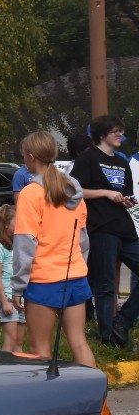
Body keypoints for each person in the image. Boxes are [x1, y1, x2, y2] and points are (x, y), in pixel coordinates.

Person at [14, 131, 95, 367]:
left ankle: (46, 402)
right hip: (76, 276)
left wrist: (18, 285)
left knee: (39, 348)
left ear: (31, 158)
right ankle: (98, 402)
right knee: (79, 342)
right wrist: (79, 267)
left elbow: (25, 242)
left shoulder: (31, 193)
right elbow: (83, 240)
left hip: (44, 280)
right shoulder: (73, 191)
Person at [70, 114, 139, 346]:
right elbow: (75, 191)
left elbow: (124, 193)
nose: (120, 135)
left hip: (125, 228)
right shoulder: (88, 158)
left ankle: (123, 321)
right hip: (101, 228)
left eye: (121, 131)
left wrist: (127, 200)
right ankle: (107, 336)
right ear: (102, 135)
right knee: (106, 284)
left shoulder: (121, 162)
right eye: (115, 131)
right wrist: (106, 193)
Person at [0, 204, 25, 353]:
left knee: (19, 342)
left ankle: (19, 371)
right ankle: (5, 371)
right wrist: (4, 302)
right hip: (8, 298)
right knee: (10, 340)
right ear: (6, 225)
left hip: (21, 298)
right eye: (18, 222)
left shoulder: (19, 245)